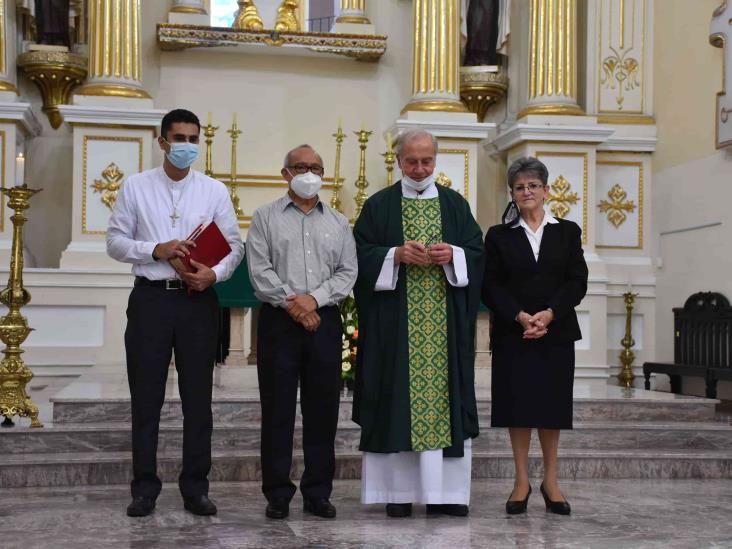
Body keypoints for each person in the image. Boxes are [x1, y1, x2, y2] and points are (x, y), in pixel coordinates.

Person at [107, 109, 245, 517]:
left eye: (192, 139)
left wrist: (213, 275)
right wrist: (155, 249)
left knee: (198, 399)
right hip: (151, 299)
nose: (186, 146)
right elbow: (114, 241)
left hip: (197, 301)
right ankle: (145, 488)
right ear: (162, 141)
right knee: (146, 397)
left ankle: (195, 488)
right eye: (178, 138)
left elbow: (235, 246)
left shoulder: (213, 191)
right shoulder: (135, 187)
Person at [352, 129, 484, 518]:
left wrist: (454, 254)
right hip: (395, 329)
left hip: (444, 330)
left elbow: (477, 254)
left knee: (445, 402)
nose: (420, 168)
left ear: (435, 161)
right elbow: (359, 254)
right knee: (395, 401)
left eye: (427, 160)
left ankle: (446, 495)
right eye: (412, 160)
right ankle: (399, 492)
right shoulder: (379, 205)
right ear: (398, 160)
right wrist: (393, 255)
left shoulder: (455, 205)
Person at [246, 144, 357, 520]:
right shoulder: (264, 217)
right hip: (279, 322)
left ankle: (318, 492)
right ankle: (277, 493)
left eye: (315, 167)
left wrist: (314, 300)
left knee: (322, 410)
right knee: (276, 409)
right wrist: (294, 304)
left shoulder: (339, 222)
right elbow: (259, 271)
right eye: (300, 167)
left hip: (324, 322)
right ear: (285, 173)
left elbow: (347, 271)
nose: (308, 173)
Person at [482, 157, 588, 516]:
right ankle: (522, 480)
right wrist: (522, 316)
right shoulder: (498, 235)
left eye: (533, 185)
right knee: (519, 407)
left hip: (556, 332)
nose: (526, 192)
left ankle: (552, 481)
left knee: (551, 408)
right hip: (515, 333)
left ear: (546, 190)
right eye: (519, 187)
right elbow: (490, 286)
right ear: (511, 193)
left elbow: (577, 280)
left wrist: (549, 314)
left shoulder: (568, 231)